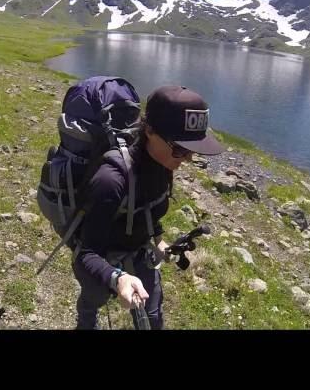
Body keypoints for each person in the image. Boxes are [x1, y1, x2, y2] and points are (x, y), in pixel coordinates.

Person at [72, 85, 224, 329]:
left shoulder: (163, 163)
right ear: (150, 131)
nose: (188, 159)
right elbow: (86, 254)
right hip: (103, 256)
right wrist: (117, 278)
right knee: (93, 299)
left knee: (152, 317)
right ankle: (86, 319)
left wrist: (158, 239)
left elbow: (149, 207)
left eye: (192, 150)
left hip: (140, 250)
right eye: (181, 149)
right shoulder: (111, 180)